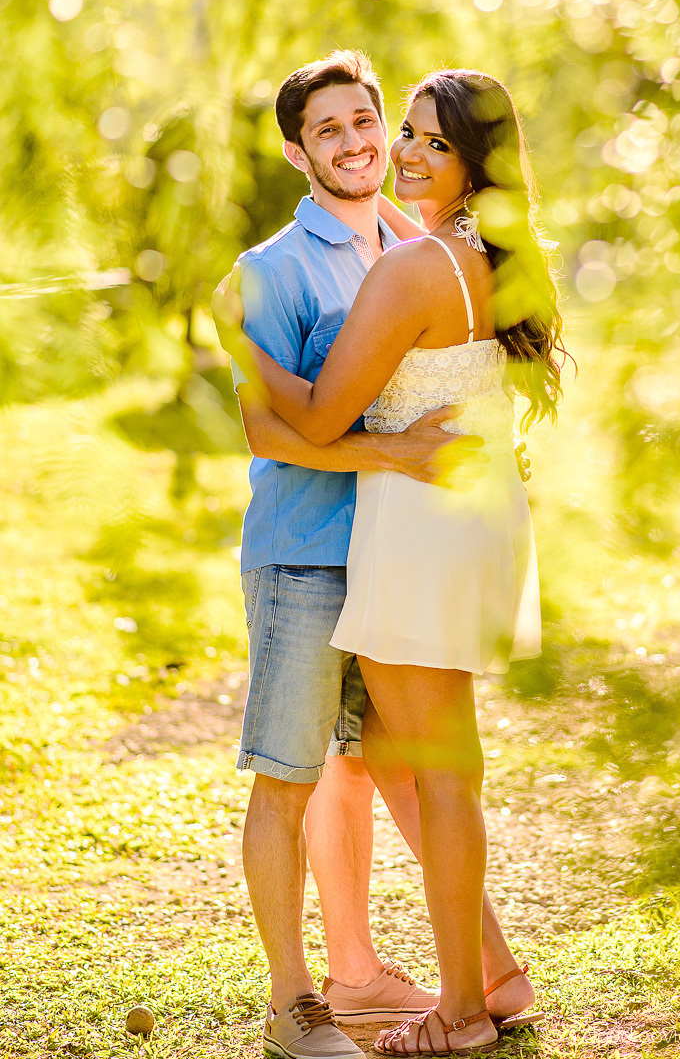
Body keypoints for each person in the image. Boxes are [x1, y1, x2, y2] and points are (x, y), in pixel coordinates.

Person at [218, 65, 563, 1057]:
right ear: (297, 150)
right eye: (398, 131)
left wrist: (238, 346)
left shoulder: (412, 264)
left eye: (423, 138)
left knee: (437, 775)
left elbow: (316, 413)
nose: (399, 151)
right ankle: (477, 984)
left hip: (418, 527)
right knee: (428, 766)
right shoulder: (485, 254)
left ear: (472, 163)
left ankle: (458, 1010)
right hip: (459, 518)